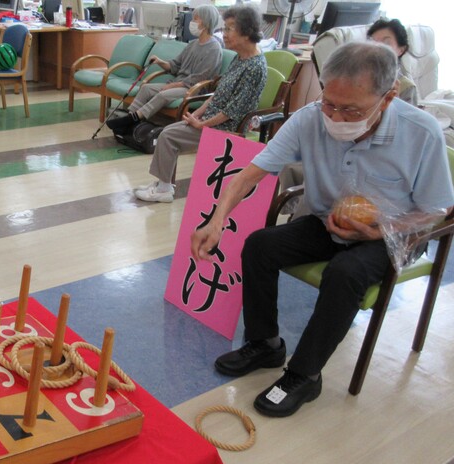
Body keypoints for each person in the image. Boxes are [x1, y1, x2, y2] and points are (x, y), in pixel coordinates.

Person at [191, 41, 454, 417]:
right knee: (260, 245)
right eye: (330, 102)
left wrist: (379, 230)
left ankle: (304, 374)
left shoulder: (421, 132)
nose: (337, 117)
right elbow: (252, 172)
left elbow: (436, 209)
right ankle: (265, 342)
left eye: (352, 109)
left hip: (390, 235)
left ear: (389, 96)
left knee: (344, 273)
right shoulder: (310, 118)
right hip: (326, 221)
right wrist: (215, 220)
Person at [134, 4, 267, 203]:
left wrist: (202, 124)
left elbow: (233, 111)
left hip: (227, 126)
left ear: (246, 32)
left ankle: (164, 189)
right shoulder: (241, 59)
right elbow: (218, 94)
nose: (224, 34)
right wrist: (197, 115)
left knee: (168, 135)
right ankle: (163, 184)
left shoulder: (255, 67)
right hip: (212, 118)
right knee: (168, 133)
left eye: (229, 29)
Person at [106, 4, 223, 132]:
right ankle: (129, 117)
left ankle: (133, 119)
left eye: (196, 19)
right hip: (180, 84)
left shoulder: (214, 48)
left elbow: (200, 78)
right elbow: (175, 65)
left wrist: (173, 85)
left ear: (206, 22)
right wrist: (160, 61)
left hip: (195, 89)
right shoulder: (192, 44)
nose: (192, 22)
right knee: (146, 88)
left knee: (163, 95)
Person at [367, 18, 418, 105]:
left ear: (401, 50)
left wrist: (395, 101)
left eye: (386, 43)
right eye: (373, 42)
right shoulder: (356, 76)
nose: (377, 47)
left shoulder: (406, 87)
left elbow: (408, 118)